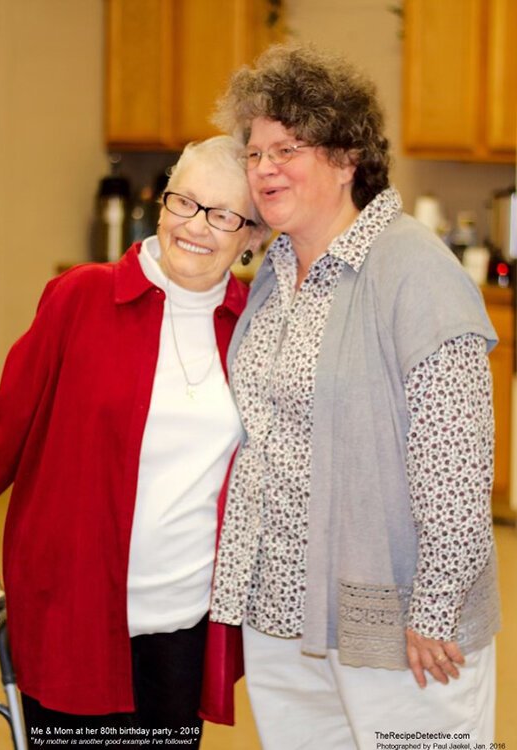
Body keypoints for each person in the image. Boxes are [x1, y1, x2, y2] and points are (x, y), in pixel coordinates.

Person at [210, 43, 500, 749]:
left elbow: (458, 471)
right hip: (283, 612)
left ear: (345, 160)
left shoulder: (412, 270)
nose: (265, 168)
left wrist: (432, 612)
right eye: (255, 153)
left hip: (395, 626)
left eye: (289, 148)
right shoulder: (275, 272)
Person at [0, 135, 266, 747]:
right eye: (184, 202)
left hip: (184, 621)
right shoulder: (81, 296)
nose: (196, 226)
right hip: (73, 610)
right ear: (161, 202)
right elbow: (6, 420)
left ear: (251, 235)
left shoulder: (251, 326)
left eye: (225, 214)